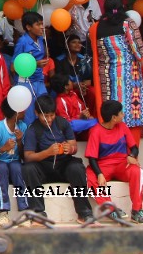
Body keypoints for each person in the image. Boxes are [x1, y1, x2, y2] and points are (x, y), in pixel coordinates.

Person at [90, 0, 143, 138]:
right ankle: (132, 154)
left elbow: (95, 56)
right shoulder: (128, 24)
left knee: (110, 116)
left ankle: (113, 153)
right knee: (132, 116)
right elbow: (139, 51)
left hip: (107, 80)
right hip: (129, 77)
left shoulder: (95, 28)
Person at [22, 95, 93, 224]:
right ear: (36, 113)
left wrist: (69, 149)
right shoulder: (32, 130)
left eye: (52, 115)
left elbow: (74, 146)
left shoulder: (62, 123)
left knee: (76, 167)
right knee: (28, 168)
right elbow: (28, 156)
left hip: (63, 166)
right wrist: (47, 152)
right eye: (45, 116)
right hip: (43, 168)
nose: (49, 119)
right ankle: (38, 214)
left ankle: (85, 213)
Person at [85, 100, 143, 224]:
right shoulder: (96, 131)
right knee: (90, 176)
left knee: (138, 172)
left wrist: (132, 156)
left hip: (122, 163)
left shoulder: (123, 126)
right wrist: (99, 174)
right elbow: (91, 158)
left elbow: (134, 148)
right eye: (121, 113)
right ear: (114, 118)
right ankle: (110, 209)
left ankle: (137, 211)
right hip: (103, 166)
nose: (123, 115)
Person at [0, 99, 28, 228]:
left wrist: (19, 142)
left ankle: (23, 211)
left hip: (15, 161)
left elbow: (24, 154)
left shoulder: (23, 126)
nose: (24, 111)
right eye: (21, 109)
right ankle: (4, 212)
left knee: (17, 169)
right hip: (0, 161)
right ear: (15, 113)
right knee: (1, 170)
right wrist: (3, 149)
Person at [13, 12, 50, 125]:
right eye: (38, 24)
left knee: (44, 108)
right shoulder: (22, 42)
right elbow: (13, 67)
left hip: (39, 79)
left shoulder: (40, 39)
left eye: (42, 24)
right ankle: (27, 139)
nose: (42, 27)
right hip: (26, 81)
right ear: (28, 27)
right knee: (29, 113)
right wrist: (34, 64)